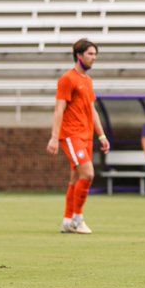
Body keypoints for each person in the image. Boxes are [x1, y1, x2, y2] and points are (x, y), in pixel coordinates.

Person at [46, 38, 109, 234]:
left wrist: (101, 135)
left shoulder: (88, 81)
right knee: (88, 174)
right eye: (90, 54)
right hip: (71, 135)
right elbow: (59, 109)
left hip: (87, 136)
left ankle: (67, 221)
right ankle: (77, 218)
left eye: (95, 54)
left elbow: (92, 110)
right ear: (79, 56)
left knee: (75, 177)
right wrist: (54, 137)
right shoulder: (67, 79)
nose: (94, 58)